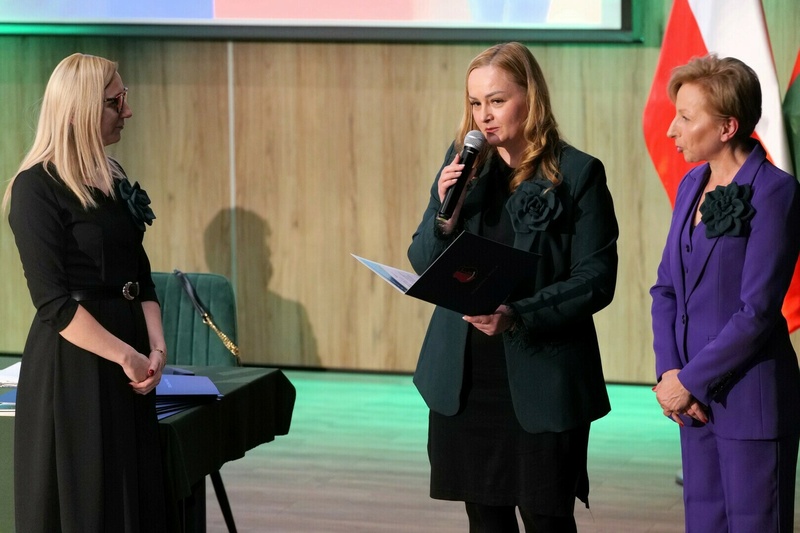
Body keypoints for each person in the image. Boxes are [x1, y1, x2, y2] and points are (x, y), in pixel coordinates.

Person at [408, 42, 618, 532]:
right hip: (466, 380)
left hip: (541, 376)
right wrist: (445, 215)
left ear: (531, 97)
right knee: (484, 518)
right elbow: (422, 262)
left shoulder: (578, 174)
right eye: (475, 103)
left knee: (547, 518)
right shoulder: (463, 164)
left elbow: (595, 279)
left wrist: (518, 313)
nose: (483, 115)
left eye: (497, 101)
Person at [2, 53, 168, 532]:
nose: (127, 110)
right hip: (76, 363)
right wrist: (127, 356)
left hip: (130, 358)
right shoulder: (35, 188)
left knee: (134, 497)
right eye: (116, 101)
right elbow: (53, 302)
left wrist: (156, 347)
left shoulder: (113, 176)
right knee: (87, 500)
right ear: (78, 111)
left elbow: (141, 275)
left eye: (124, 98)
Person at [651, 53, 800, 532]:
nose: (671, 130)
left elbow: (757, 311)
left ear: (727, 127)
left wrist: (689, 381)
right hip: (693, 405)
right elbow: (666, 288)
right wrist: (670, 374)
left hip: (750, 401)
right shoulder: (692, 183)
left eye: (685, 117)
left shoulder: (775, 192)